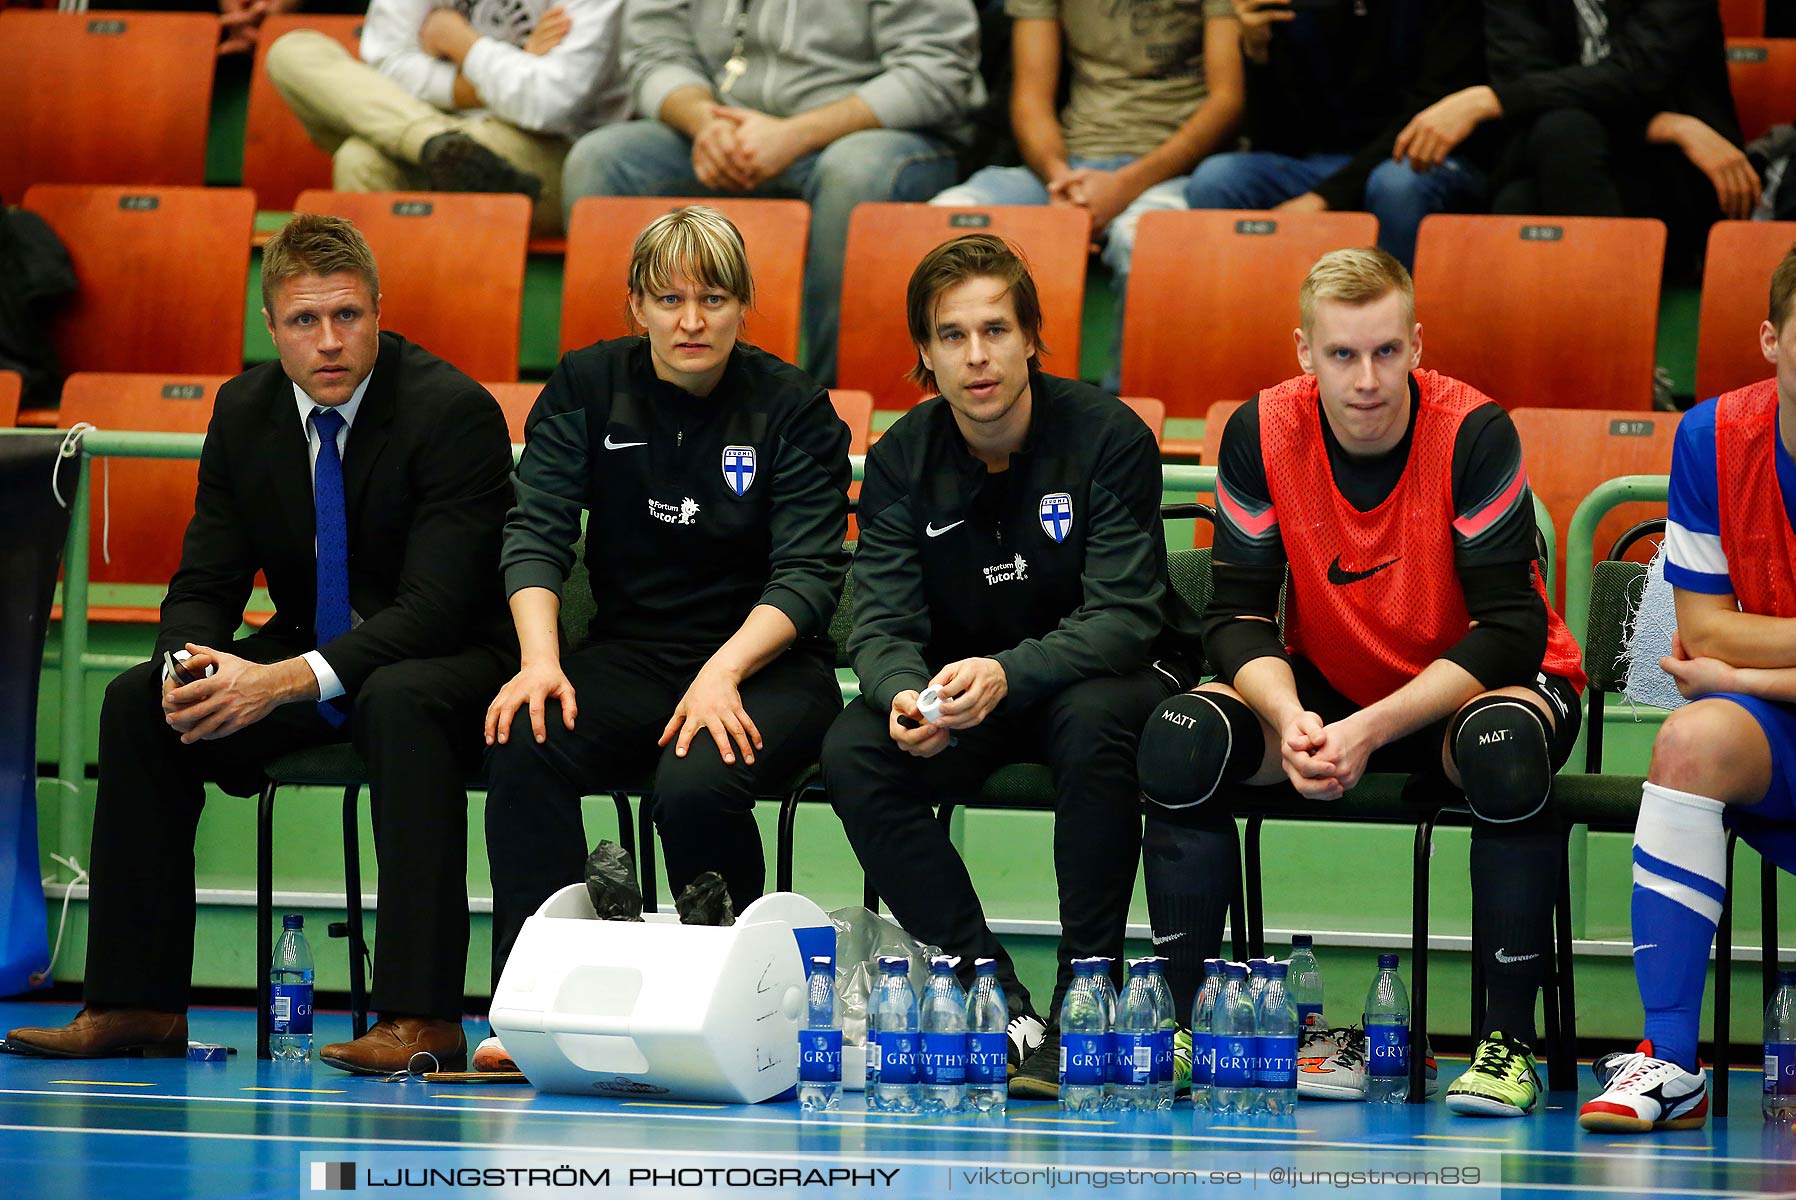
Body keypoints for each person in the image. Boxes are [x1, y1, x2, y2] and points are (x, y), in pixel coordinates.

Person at [3, 215, 516, 1073]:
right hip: (311, 648)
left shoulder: (450, 410)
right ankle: (137, 1003)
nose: (329, 342)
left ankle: (422, 1019)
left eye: (347, 316)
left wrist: (279, 680)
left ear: (379, 313)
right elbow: (204, 583)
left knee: (397, 699)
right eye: (305, 322)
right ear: (271, 327)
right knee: (139, 704)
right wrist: (189, 666)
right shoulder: (245, 410)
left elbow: (434, 607)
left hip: (452, 658)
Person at [1134, 247, 1585, 1118]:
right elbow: (1235, 615)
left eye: (1386, 351)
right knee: (1181, 736)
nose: (1368, 378)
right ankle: (1196, 1030)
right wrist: (1292, 716)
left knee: (1504, 750)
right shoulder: (1261, 432)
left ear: (1417, 345)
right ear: (1305, 354)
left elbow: (1511, 628)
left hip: (1477, 682)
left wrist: (1370, 729)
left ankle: (1506, 1045)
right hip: (1333, 683)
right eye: (1343, 355)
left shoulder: (1475, 431)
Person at [819, 233, 1205, 1098]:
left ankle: (1087, 991)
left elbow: (1125, 616)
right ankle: (989, 988)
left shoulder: (1107, 436)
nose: (976, 355)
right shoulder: (899, 459)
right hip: (971, 696)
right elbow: (878, 621)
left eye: (995, 329)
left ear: (1031, 337)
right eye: (952, 336)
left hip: (1101, 677)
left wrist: (1003, 671)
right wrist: (903, 698)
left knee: (1094, 718)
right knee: (854, 748)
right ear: (926, 353)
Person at [484, 207, 851, 998]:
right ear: (636, 305)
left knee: (693, 784)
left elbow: (808, 574)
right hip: (633, 655)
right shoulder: (588, 384)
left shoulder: (792, 407)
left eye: (714, 300)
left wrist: (722, 674)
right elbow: (536, 534)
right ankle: (535, 995)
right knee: (525, 735)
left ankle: (733, 996)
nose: (691, 321)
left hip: (770, 666)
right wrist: (540, 663)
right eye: (670, 299)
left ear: (743, 305)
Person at [1580, 244, 1796, 1135]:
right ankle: (1670, 1062)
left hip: (1767, 690)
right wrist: (1739, 676)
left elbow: (1721, 652)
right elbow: (1701, 632)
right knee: (1689, 740)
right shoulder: (1712, 436)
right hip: (1780, 730)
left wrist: (1744, 674)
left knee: (1715, 703)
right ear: (1771, 342)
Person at [560, 0, 984, 386]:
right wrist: (704, 122)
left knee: (854, 174)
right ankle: (614, 391)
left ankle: (824, 400)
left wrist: (797, 134)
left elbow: (938, 66)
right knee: (602, 160)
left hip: (872, 132)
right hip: (722, 122)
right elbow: (653, 47)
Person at [929, 0, 1243, 390]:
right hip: (1070, 163)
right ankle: (944, 412)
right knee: (943, 217)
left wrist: (1124, 186)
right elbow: (1029, 98)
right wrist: (1060, 178)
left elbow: (1227, 100)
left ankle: (1125, 420)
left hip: (1176, 167)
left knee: (1142, 242)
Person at [1429, 0, 1751, 271]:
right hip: (1561, 150)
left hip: (1669, 169)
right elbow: (1522, 78)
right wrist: (1665, 126)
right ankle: (1609, 307)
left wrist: (1498, 99)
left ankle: (1607, 307)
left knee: (1522, 198)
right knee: (1544, 159)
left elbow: (1642, 74)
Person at [265, 0, 629, 236]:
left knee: (361, 157)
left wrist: (461, 43)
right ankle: (430, 142)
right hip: (427, 124)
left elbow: (547, 104)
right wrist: (518, 62)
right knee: (292, 51)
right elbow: (387, 66)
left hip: (540, 152)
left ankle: (386, 341)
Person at [1180, 0, 1491, 269]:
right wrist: (1258, 52)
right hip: (1323, 163)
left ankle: (1397, 330)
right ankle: (1243, 330)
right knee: (1218, 178)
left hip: (1423, 159)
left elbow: (1427, 115)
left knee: (1396, 186)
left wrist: (1325, 198)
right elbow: (1277, 140)